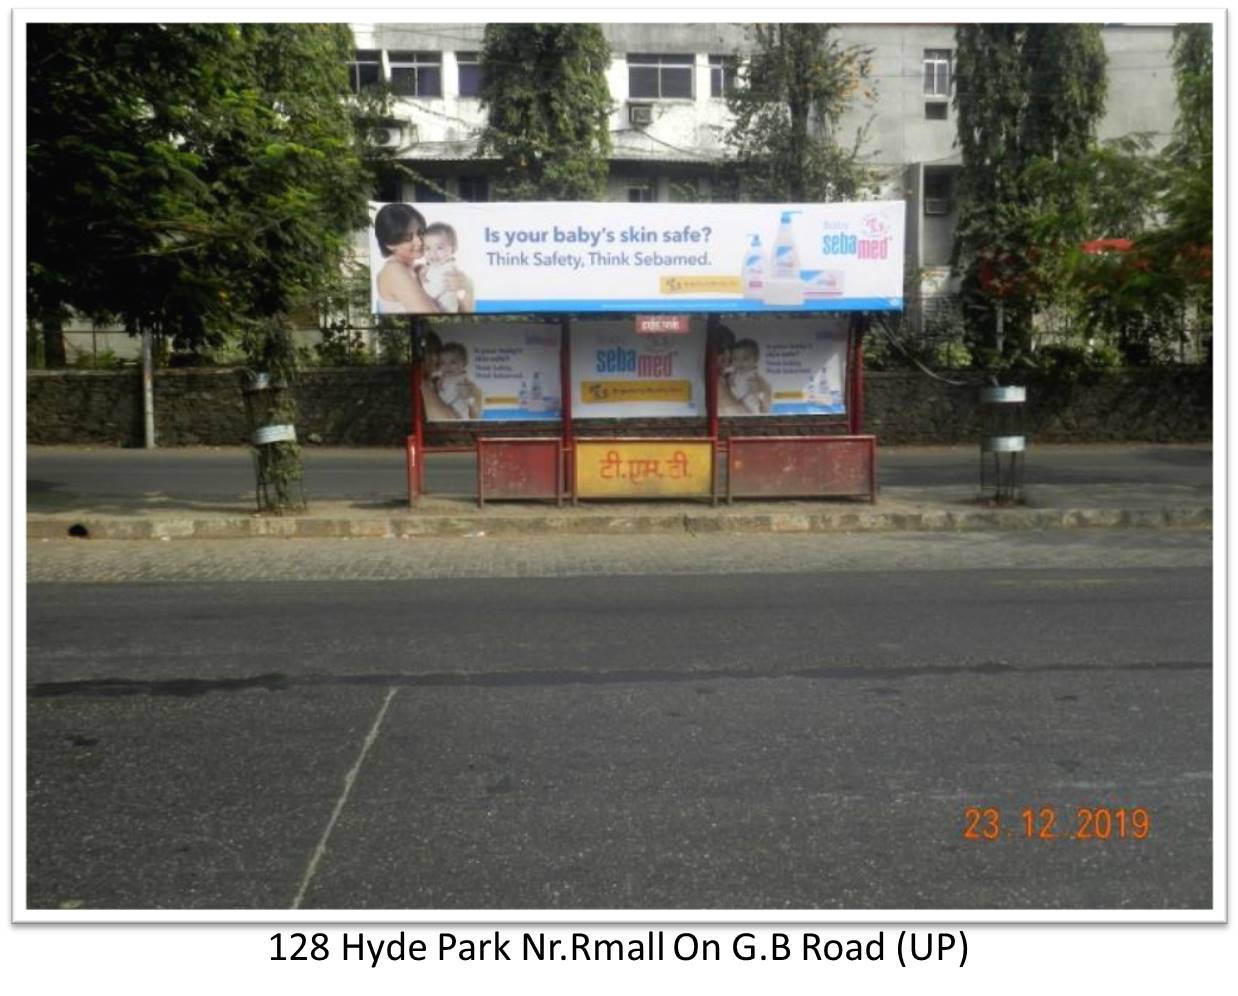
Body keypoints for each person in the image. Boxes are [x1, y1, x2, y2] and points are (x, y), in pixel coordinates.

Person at [373, 204, 475, 314]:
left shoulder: (421, 270)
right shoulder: (394, 271)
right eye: (408, 238)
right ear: (390, 244)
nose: (419, 242)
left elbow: (463, 312)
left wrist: (469, 287)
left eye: (420, 232)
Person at [421, 222, 470, 314]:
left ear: (453, 248)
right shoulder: (438, 265)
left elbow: (432, 293)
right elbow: (431, 270)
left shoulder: (447, 271)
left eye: (439, 248)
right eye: (427, 248)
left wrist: (422, 281)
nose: (433, 253)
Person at [432, 341, 483, 419]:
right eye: (443, 363)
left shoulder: (466, 383)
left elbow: (476, 414)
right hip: (442, 417)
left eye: (453, 362)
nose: (447, 366)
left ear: (463, 363)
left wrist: (469, 398)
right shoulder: (440, 380)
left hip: (460, 420)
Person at [725, 338, 772, 414]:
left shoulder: (753, 377)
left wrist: (731, 386)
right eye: (735, 359)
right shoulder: (735, 375)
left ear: (756, 358)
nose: (740, 363)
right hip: (739, 410)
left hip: (751, 410)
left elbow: (740, 395)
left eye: (745, 359)